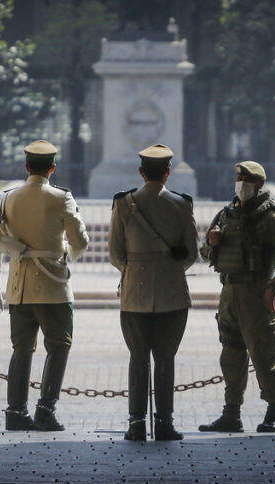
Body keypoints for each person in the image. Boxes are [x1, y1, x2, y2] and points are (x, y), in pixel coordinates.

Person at [0, 140, 89, 432]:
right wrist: (66, 254)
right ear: (52, 168)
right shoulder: (61, 198)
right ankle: (45, 410)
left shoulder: (8, 199)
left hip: (19, 287)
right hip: (53, 286)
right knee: (59, 347)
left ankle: (16, 412)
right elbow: (81, 241)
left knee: (21, 349)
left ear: (27, 167)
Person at [198, 161, 275, 434]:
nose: (240, 183)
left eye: (245, 179)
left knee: (264, 355)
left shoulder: (271, 218)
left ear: (258, 184)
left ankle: (274, 414)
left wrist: (274, 286)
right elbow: (204, 252)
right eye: (238, 178)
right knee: (231, 355)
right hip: (229, 293)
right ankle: (231, 414)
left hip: (257, 294)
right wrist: (212, 243)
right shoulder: (226, 214)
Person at [108, 143, 198, 441]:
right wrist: (168, 271)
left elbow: (115, 254)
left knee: (137, 358)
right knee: (165, 358)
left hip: (135, 291)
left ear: (141, 172)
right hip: (172, 292)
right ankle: (164, 423)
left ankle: (135, 423)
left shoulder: (123, 204)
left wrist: (134, 271)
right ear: (168, 174)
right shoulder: (182, 205)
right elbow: (191, 254)